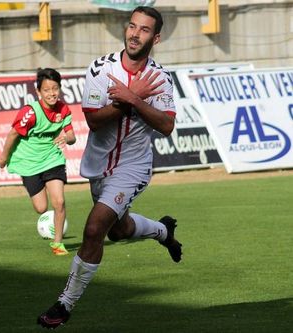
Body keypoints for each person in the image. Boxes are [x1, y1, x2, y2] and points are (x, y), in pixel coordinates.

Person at [37, 6, 182, 328]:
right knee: (118, 230)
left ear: (155, 38)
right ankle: (162, 230)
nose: (134, 33)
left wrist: (135, 99)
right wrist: (125, 100)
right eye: (132, 26)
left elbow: (167, 126)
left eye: (144, 30)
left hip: (133, 167)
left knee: (93, 230)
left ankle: (64, 304)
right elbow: (93, 121)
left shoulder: (160, 78)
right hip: (99, 163)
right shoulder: (101, 69)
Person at [0, 68, 76, 256]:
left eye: (55, 89)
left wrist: (67, 138)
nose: (52, 94)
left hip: (52, 159)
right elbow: (13, 133)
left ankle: (57, 244)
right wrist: (3, 157)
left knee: (60, 201)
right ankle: (49, 223)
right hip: (28, 163)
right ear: (38, 92)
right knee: (41, 208)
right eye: (46, 90)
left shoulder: (63, 109)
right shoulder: (30, 112)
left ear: (60, 89)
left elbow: (71, 135)